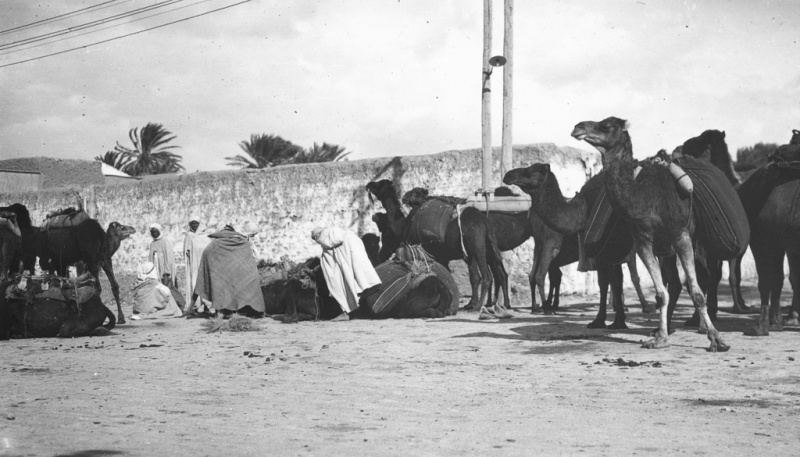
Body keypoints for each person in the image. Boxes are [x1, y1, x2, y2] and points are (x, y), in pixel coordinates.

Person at [193, 221, 265, 318]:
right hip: (219, 266)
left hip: (218, 264)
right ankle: (232, 309)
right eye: (253, 235)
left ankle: (228, 310)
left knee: (231, 283)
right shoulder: (242, 241)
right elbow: (256, 257)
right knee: (250, 280)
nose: (254, 238)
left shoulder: (228, 237)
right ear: (250, 234)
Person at [311, 226, 381, 321]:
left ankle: (347, 311)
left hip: (349, 259)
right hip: (353, 257)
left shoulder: (328, 239)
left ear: (318, 235)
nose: (317, 241)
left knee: (340, 284)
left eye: (316, 238)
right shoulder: (344, 233)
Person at [182, 217, 212, 315]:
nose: (194, 226)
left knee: (205, 283)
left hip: (204, 264)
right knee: (194, 283)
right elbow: (186, 251)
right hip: (193, 265)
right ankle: (195, 306)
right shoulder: (189, 236)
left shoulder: (206, 236)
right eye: (192, 224)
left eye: (196, 223)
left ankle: (206, 305)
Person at [148, 223, 176, 287]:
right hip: (155, 267)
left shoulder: (165, 241)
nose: (154, 234)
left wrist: (167, 271)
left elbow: (169, 257)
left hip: (163, 268)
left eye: (155, 232)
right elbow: (150, 258)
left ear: (159, 231)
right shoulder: (152, 244)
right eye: (152, 232)